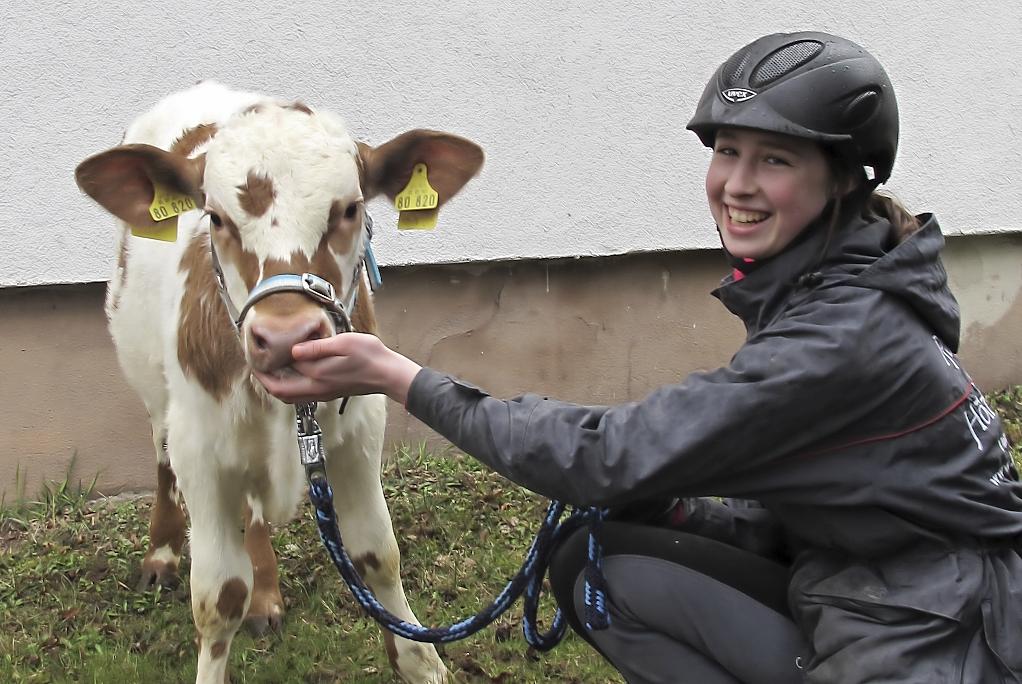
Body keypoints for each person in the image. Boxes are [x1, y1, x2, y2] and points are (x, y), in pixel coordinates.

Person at [255, 32, 1022, 683]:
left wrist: (399, 376)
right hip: (883, 587)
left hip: (934, 644)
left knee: (599, 573)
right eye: (728, 151)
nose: (738, 185)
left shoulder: (846, 336)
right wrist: (669, 501)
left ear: (846, 179)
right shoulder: (846, 285)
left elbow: (607, 454)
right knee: (600, 545)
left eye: (776, 161)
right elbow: (828, 492)